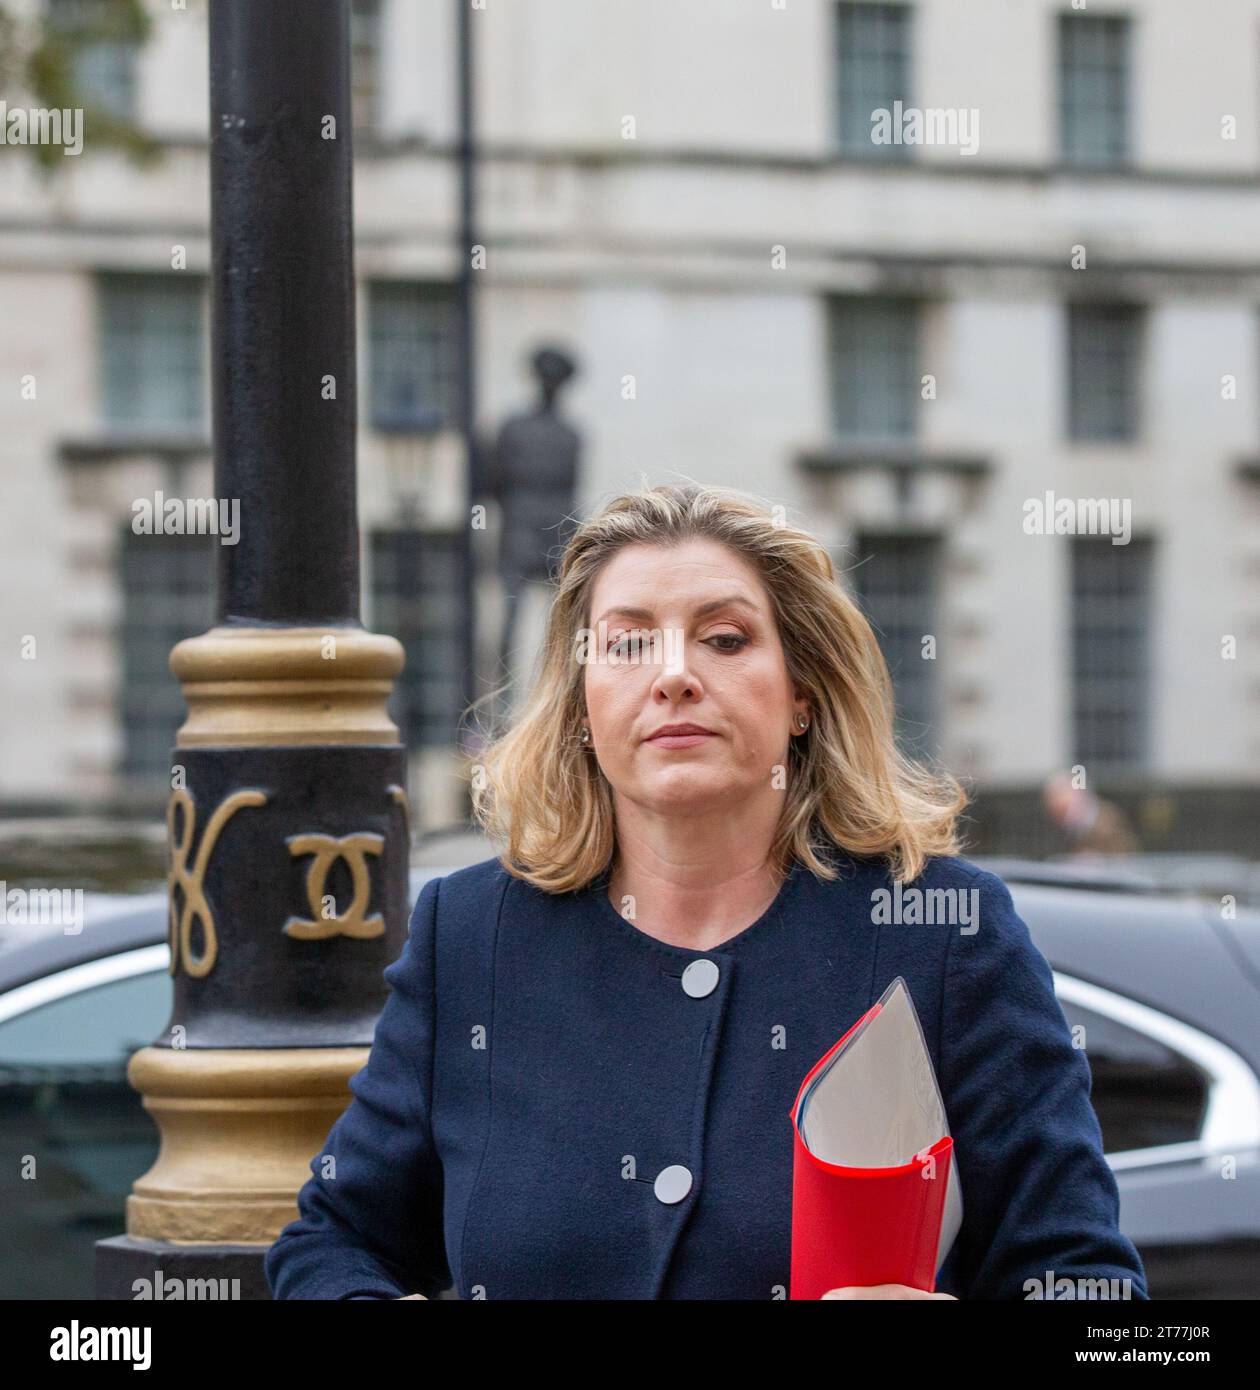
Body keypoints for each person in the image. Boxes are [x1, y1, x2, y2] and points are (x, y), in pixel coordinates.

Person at [264, 482, 1148, 1301]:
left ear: (801, 693)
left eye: (725, 639)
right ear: (581, 705)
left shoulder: (947, 935)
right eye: (627, 643)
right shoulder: (471, 935)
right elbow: (333, 1238)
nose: (674, 673)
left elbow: (1084, 1278)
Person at [1042, 772, 1140, 857]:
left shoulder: (1108, 818)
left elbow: (1126, 851)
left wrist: (1098, 857)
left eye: (1064, 810)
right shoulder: (1067, 830)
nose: (1060, 818)